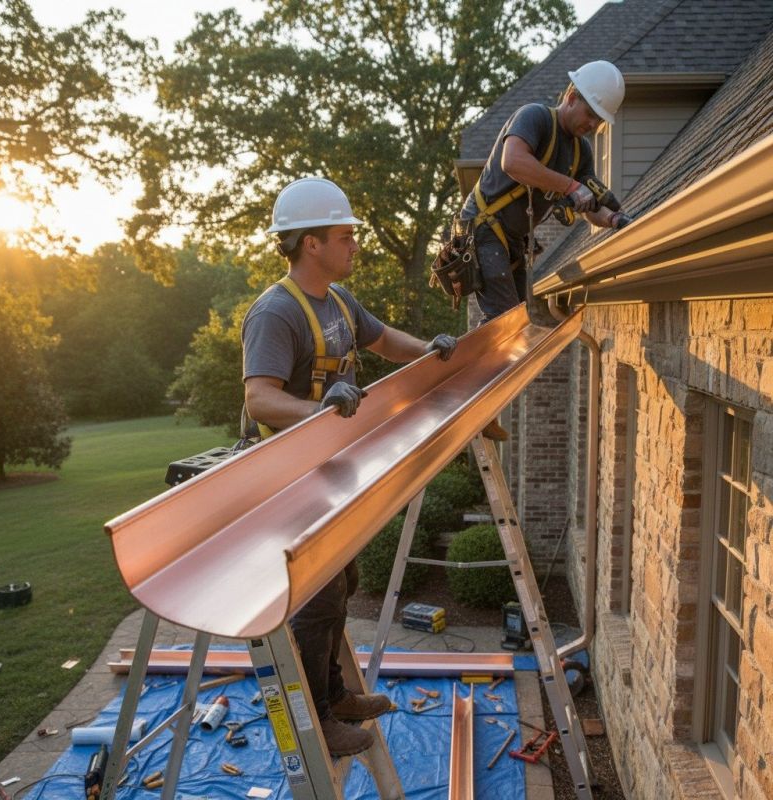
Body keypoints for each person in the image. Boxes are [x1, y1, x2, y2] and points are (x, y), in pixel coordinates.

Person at [241, 176, 457, 757]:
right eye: (345, 235)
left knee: (346, 583)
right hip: (289, 477)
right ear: (310, 243)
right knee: (319, 594)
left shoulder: (338, 303)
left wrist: (436, 350)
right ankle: (316, 717)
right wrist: (320, 410)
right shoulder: (276, 313)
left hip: (329, 469)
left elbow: (385, 341)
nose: (354, 244)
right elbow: (258, 398)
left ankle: (335, 694)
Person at [458, 59, 630, 439]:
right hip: (484, 227)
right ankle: (470, 398)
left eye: (600, 121)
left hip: (514, 241)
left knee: (516, 322)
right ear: (571, 97)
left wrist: (615, 219)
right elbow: (513, 161)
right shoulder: (535, 117)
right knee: (503, 317)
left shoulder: (581, 153)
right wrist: (570, 188)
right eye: (591, 115)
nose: (593, 126)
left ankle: (480, 399)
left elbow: (592, 210)